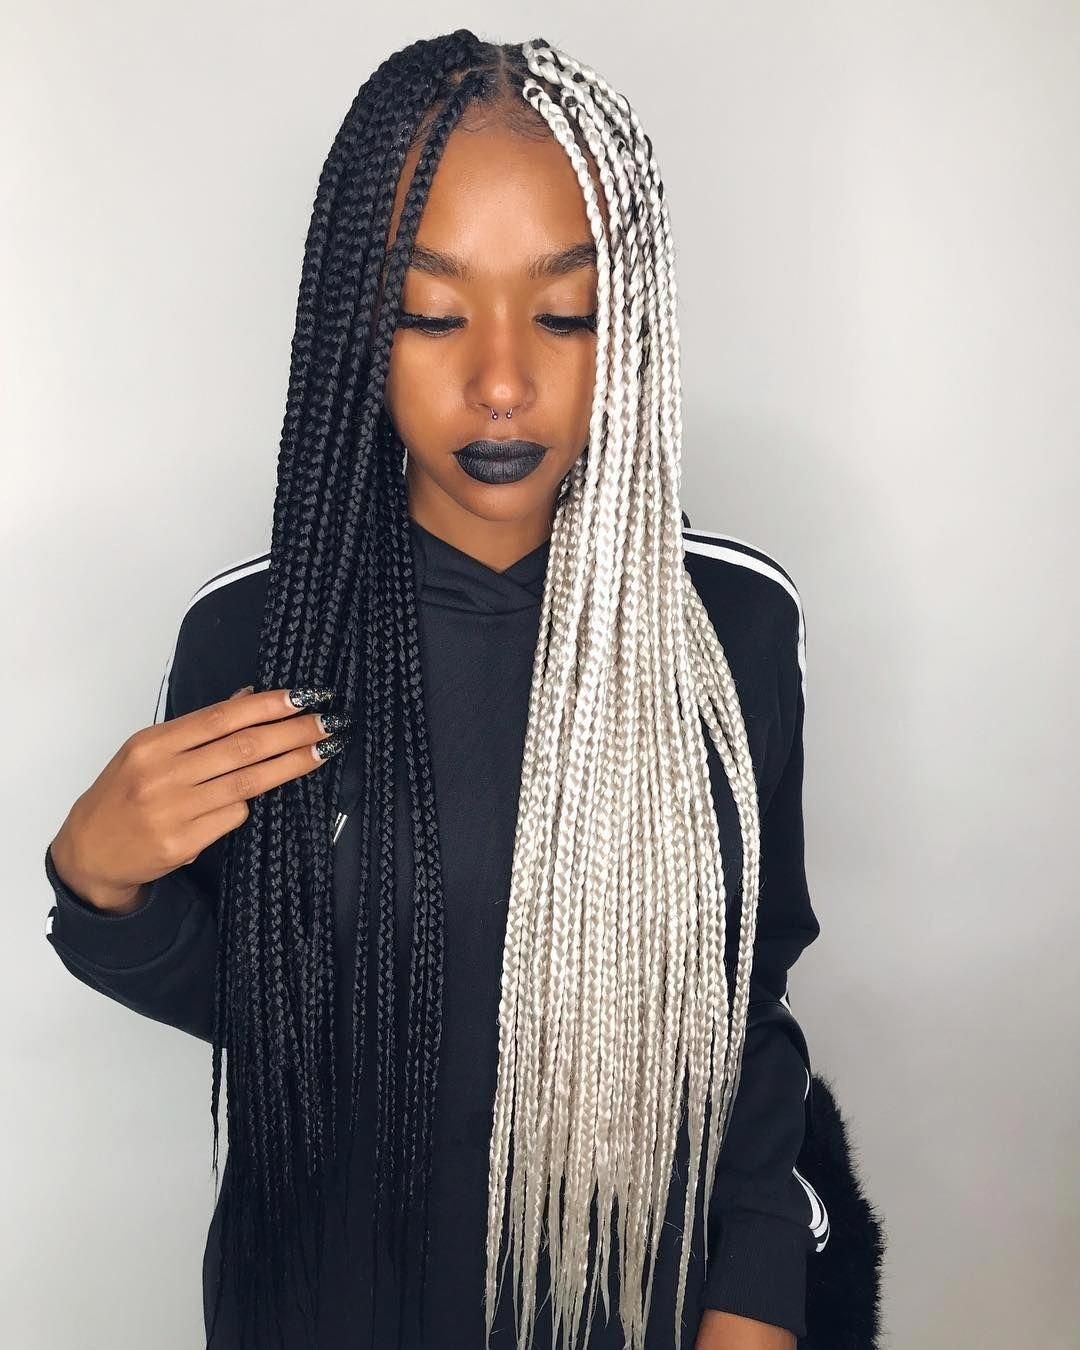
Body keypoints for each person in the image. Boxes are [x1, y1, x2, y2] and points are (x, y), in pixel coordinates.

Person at [42, 32, 828, 1350]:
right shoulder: (253, 637)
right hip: (320, 1306)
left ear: (632, 329)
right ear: (360, 323)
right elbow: (275, 1019)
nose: (502, 380)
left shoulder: (731, 628)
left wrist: (753, 1304)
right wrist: (100, 888)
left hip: (624, 1306)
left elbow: (741, 1016)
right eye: (432, 313)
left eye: (564, 314)